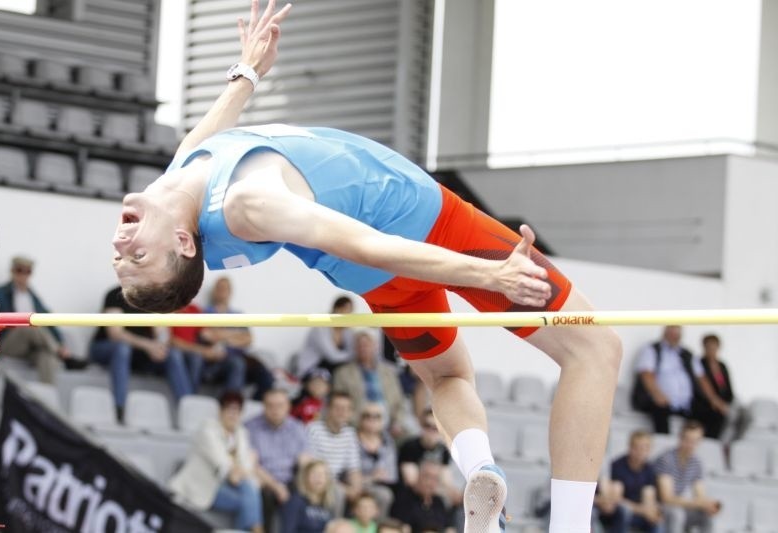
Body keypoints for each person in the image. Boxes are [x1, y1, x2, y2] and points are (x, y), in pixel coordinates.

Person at [110, 2, 622, 530]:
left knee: (446, 375)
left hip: (376, 281)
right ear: (182, 243)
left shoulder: (177, 185)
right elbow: (370, 243)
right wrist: (489, 275)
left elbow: (206, 138)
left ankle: (479, 472)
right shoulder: (247, 203)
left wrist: (247, 72)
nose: (121, 245)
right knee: (595, 349)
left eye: (120, 257)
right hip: (422, 226)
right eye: (137, 256)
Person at [89, 286, 193, 421]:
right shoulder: (115, 295)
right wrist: (148, 345)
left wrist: (159, 346)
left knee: (173, 355)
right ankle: (119, 408)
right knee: (122, 349)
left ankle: (189, 410)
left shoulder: (153, 299)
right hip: (105, 348)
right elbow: (115, 334)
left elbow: (162, 335)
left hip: (138, 354)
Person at [169, 391, 263, 532]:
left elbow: (245, 466)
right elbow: (221, 463)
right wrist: (241, 470)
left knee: (250, 490)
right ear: (220, 411)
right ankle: (257, 529)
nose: (232, 414)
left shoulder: (241, 433)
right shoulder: (208, 429)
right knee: (248, 498)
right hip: (203, 486)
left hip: (228, 485)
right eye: (228, 409)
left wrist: (242, 470)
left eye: (236, 410)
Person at [0, 256, 72, 383]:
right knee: (29, 324)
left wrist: (61, 341)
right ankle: (61, 354)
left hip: (29, 346)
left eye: (27, 272)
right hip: (7, 343)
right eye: (20, 270)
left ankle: (47, 398)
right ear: (12, 271)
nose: (23, 275)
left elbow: (48, 319)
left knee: (46, 356)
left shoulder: (33, 297)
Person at [633, 326, 724, 434]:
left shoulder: (688, 354)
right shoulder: (652, 350)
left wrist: (714, 399)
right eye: (672, 334)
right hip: (661, 401)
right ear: (665, 333)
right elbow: (646, 373)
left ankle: (705, 446)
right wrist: (656, 393)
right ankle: (663, 442)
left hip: (685, 405)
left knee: (714, 414)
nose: (674, 337)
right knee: (660, 410)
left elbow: (701, 378)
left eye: (677, 334)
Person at [245, 388, 311, 529]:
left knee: (302, 494)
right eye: (270, 405)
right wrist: (276, 486)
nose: (275, 410)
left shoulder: (297, 428)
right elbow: (252, 465)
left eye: (280, 405)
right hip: (264, 480)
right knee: (262, 493)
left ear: (288, 407)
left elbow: (305, 460)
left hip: (291, 479)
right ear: (264, 406)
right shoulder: (250, 428)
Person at [203, 275, 275, 400]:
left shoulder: (237, 314)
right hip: (218, 362)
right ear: (214, 291)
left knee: (266, 374)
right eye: (219, 288)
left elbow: (248, 339)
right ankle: (232, 404)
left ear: (231, 292)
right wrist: (235, 335)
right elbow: (209, 336)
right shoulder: (205, 312)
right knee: (237, 364)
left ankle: (254, 406)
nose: (222, 292)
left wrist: (223, 335)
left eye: (225, 289)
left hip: (241, 358)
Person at [333, 329, 406, 437]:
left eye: (367, 344)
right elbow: (339, 403)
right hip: (357, 423)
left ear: (376, 347)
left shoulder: (388, 372)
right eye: (360, 345)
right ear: (355, 348)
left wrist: (397, 423)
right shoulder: (343, 373)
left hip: (387, 423)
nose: (364, 348)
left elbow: (399, 402)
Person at [654, 420, 720, 533]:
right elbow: (666, 498)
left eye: (695, 441)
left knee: (707, 515)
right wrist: (697, 503)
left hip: (680, 505)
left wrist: (707, 505)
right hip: (660, 507)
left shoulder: (696, 462)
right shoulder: (666, 459)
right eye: (688, 440)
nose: (691, 444)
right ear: (680, 438)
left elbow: (700, 494)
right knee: (677, 513)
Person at [170, 300, 246, 393]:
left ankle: (231, 402)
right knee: (195, 358)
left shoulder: (193, 310)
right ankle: (190, 399)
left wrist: (216, 349)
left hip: (197, 351)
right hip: (181, 352)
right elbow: (171, 341)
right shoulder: (168, 309)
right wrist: (203, 350)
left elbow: (207, 334)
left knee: (237, 362)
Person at [595, 430, 664, 533]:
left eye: (644, 448)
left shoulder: (649, 469)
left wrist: (652, 511)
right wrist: (642, 510)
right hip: (618, 512)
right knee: (624, 510)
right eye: (637, 447)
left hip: (639, 513)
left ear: (649, 450)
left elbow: (649, 495)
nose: (640, 451)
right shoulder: (617, 466)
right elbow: (615, 499)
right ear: (630, 447)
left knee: (657, 518)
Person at [307, 391, 363, 514]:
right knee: (338, 493)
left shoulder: (350, 433)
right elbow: (313, 468)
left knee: (381, 495)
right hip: (318, 479)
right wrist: (346, 489)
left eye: (346, 409)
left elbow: (354, 469)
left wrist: (356, 489)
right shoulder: (313, 429)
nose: (342, 412)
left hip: (340, 481)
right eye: (338, 408)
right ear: (328, 409)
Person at [397, 408, 462, 509]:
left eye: (435, 428)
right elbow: (412, 481)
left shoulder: (443, 450)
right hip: (410, 495)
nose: (431, 431)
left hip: (434, 490)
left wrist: (453, 492)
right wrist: (442, 490)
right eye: (428, 426)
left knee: (458, 500)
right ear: (421, 426)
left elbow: (446, 480)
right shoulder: (410, 446)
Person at [296, 295, 356, 378]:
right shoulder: (321, 327)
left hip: (333, 370)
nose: (348, 314)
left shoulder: (347, 331)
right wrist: (351, 356)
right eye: (345, 310)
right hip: (312, 370)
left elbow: (353, 353)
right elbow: (332, 356)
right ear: (336, 309)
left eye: (350, 311)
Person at [356, 402, 397, 517]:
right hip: (355, 485)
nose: (372, 419)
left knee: (385, 495)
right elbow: (349, 474)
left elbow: (390, 476)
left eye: (377, 416)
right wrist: (372, 477)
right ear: (360, 419)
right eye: (367, 416)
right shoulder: (352, 439)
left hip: (379, 487)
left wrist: (370, 478)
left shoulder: (388, 442)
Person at [389, 460, 455, 533]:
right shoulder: (404, 499)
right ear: (418, 476)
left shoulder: (439, 502)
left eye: (435, 479)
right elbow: (402, 528)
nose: (430, 483)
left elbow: (449, 527)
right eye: (427, 476)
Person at [692, 334, 735, 440]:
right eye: (709, 347)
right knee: (715, 415)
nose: (712, 350)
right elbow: (698, 387)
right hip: (704, 404)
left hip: (721, 405)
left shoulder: (722, 366)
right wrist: (714, 402)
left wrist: (724, 403)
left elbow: (728, 389)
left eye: (714, 347)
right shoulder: (699, 364)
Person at [282, 459, 337, 533]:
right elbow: (288, 530)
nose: (319, 478)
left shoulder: (329, 504)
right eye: (315, 474)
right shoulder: (296, 501)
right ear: (305, 477)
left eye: (323, 474)